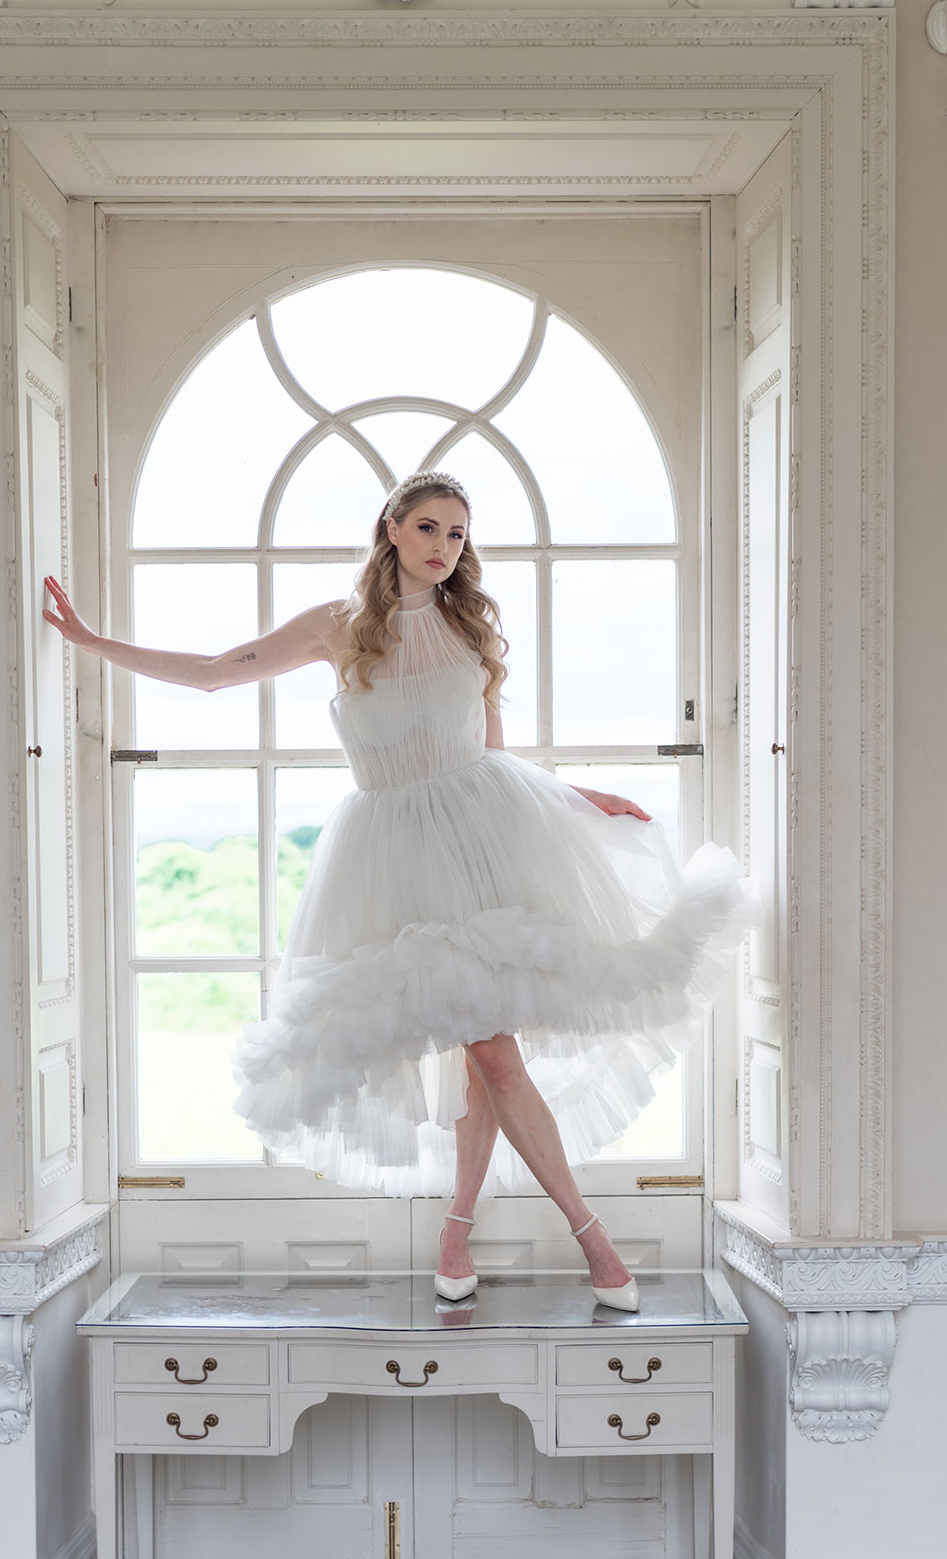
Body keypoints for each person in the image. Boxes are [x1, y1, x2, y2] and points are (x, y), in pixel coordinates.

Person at [44, 470, 747, 1312]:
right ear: (390, 529)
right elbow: (211, 673)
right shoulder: (338, 629)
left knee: (488, 1050)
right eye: (428, 528)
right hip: (391, 860)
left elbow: (494, 752)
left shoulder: (469, 628)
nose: (444, 549)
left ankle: (511, 1235)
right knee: (481, 1048)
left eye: (456, 534)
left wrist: (576, 797)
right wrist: (92, 642)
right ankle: (554, 1236)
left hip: (487, 842)